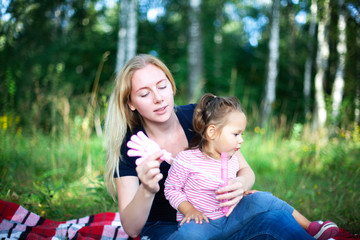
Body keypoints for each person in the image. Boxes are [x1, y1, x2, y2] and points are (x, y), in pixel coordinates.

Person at [104, 53, 318, 240]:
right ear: (131, 103)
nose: (158, 98)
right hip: (168, 229)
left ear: (171, 85)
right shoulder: (131, 148)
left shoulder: (199, 118)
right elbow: (132, 229)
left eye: (162, 86)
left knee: (276, 218)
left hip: (222, 216)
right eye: (144, 94)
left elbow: (245, 171)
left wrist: (240, 184)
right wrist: (148, 189)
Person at [164, 93, 339, 240]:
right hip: (202, 225)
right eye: (236, 134)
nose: (241, 139)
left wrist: (240, 190)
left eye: (242, 133)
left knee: (261, 198)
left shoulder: (231, 157)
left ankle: (311, 228)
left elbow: (243, 180)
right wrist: (189, 210)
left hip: (231, 217)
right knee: (187, 234)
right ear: (212, 132)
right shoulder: (186, 159)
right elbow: (171, 189)